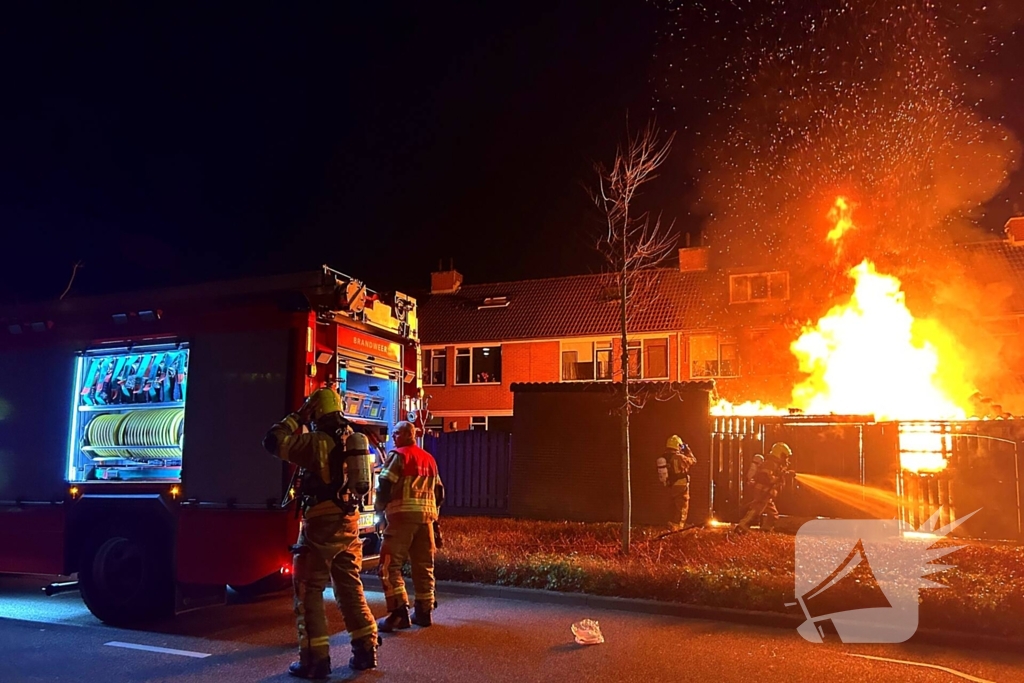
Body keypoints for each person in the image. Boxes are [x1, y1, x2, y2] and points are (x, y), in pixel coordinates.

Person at [262, 388, 379, 678]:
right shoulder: (353, 438)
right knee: (350, 587)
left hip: (320, 525)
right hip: (349, 522)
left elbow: (272, 442)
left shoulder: (315, 443)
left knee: (309, 590)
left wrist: (297, 417)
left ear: (316, 413)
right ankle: (366, 649)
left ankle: (315, 659)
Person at [376, 421, 445, 632]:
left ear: (406, 435)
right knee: (424, 567)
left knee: (388, 567)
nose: (393, 438)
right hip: (426, 520)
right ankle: (423, 613)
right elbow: (439, 493)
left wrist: (379, 509)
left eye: (396, 434)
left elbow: (385, 485)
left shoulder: (398, 456)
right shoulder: (429, 459)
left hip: (401, 519)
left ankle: (399, 613)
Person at [737, 442, 792, 533]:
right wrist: (779, 477)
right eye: (785, 456)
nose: (786, 459)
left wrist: (785, 474)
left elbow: (774, 475)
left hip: (767, 493)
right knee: (756, 510)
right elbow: (766, 477)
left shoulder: (775, 464)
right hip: (763, 491)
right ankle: (742, 525)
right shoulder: (770, 463)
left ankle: (766, 530)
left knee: (773, 514)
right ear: (780, 454)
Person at [659, 435, 698, 530]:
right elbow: (693, 461)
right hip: (681, 485)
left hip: (671, 484)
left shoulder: (665, 457)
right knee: (682, 507)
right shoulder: (679, 457)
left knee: (674, 506)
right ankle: (678, 528)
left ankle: (672, 524)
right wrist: (688, 451)